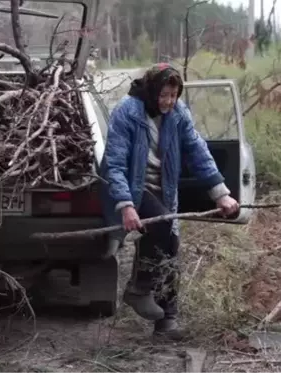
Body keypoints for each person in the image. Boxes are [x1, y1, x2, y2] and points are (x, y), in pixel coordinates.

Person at [99, 63, 239, 340]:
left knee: (171, 245)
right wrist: (126, 205)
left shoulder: (178, 113)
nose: (168, 101)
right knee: (163, 227)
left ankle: (167, 321)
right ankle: (139, 288)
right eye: (163, 95)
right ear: (151, 90)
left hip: (164, 188)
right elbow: (113, 164)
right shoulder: (127, 112)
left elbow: (197, 151)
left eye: (173, 95)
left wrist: (220, 193)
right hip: (133, 188)